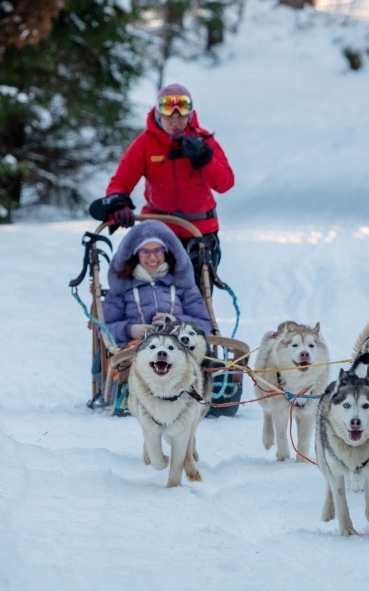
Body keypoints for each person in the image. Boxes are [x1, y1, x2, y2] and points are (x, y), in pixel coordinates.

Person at [89, 83, 235, 276]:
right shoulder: (145, 144)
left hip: (199, 233)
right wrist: (118, 204)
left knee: (197, 297)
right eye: (169, 114)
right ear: (158, 114)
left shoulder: (204, 141)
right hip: (158, 233)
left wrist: (205, 159)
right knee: (156, 294)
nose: (176, 121)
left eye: (181, 115)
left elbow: (225, 183)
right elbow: (120, 182)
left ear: (190, 115)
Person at [87, 220, 213, 409]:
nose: (152, 258)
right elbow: (104, 329)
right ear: (135, 254)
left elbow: (205, 324)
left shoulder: (183, 285)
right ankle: (123, 392)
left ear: (167, 252)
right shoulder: (121, 288)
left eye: (158, 251)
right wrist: (130, 329)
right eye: (145, 252)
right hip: (135, 348)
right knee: (127, 357)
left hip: (179, 348)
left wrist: (177, 322)